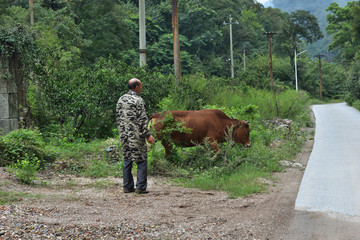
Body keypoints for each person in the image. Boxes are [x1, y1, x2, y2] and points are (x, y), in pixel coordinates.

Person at [116, 78, 155, 194]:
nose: (141, 88)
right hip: (136, 136)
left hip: (124, 136)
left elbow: (118, 118)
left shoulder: (121, 99)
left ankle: (127, 187)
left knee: (127, 159)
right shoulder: (138, 100)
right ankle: (140, 187)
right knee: (141, 160)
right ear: (137, 87)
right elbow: (143, 120)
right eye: (141, 86)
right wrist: (148, 135)